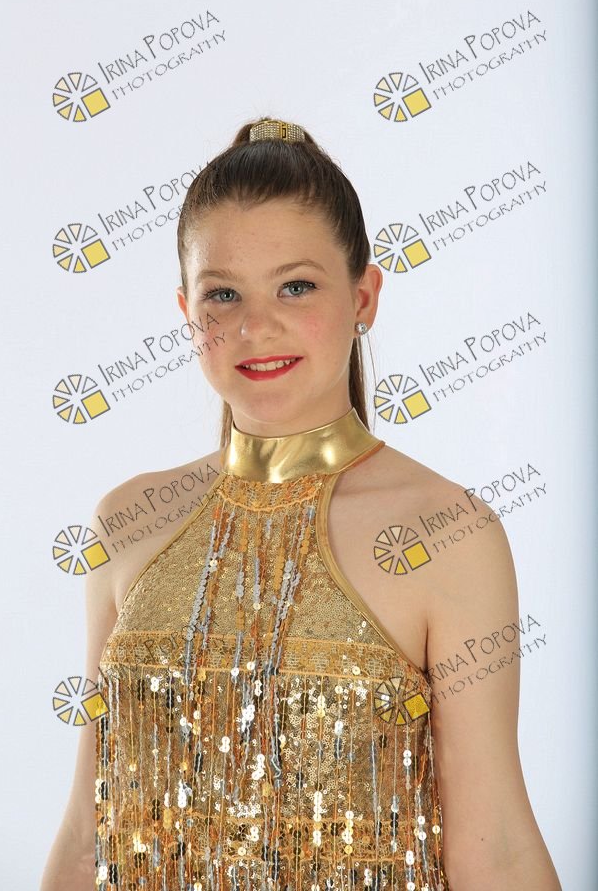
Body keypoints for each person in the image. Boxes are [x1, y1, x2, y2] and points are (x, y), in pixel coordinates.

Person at [41, 118, 561, 890]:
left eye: (295, 286)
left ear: (363, 297)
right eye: (223, 294)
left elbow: (496, 845)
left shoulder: (445, 533)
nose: (255, 326)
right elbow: (88, 833)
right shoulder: (129, 522)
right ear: (187, 312)